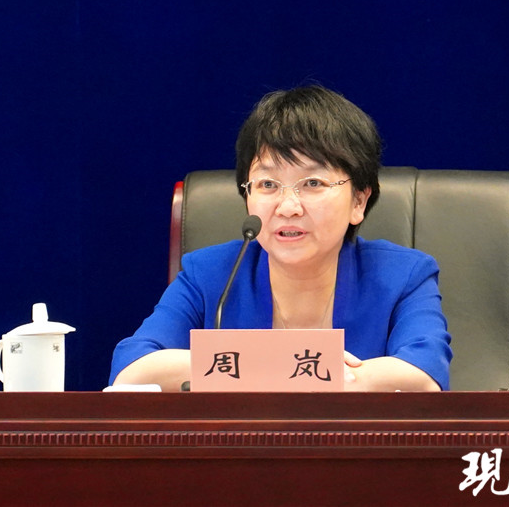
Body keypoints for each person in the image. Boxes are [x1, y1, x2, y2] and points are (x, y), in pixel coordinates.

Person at [109, 85, 452, 391]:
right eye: (268, 184)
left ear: (358, 201)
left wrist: (230, 369)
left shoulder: (403, 276)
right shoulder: (210, 274)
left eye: (313, 183)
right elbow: (131, 371)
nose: (288, 207)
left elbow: (424, 378)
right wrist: (287, 366)